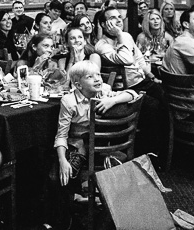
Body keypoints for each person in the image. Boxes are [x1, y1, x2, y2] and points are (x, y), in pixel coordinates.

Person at [45, 60, 141, 230]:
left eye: (98, 75)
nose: (97, 79)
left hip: (100, 147)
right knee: (56, 177)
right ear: (77, 84)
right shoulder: (69, 101)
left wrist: (113, 100)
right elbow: (61, 136)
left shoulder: (104, 92)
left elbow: (134, 94)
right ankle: (65, 220)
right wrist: (62, 160)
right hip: (75, 145)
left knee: (86, 142)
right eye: (90, 77)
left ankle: (77, 198)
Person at [94, 6, 159, 92]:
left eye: (119, 17)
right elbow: (127, 60)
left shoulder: (126, 36)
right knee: (156, 103)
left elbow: (139, 59)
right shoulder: (101, 45)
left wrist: (152, 77)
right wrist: (119, 34)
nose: (119, 20)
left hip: (142, 81)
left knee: (164, 92)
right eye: (113, 18)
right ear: (103, 24)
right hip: (127, 88)